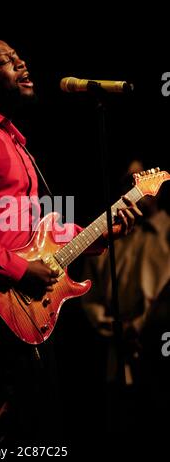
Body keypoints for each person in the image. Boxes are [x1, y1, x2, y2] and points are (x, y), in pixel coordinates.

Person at [0, 39, 142, 447]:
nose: (22, 63)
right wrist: (18, 269)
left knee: (41, 431)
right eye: (8, 62)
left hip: (19, 311)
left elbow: (33, 235)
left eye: (19, 58)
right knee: (6, 437)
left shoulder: (13, 141)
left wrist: (98, 234)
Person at [81, 160, 170, 431]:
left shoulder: (167, 231)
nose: (133, 186)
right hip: (115, 352)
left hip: (161, 346)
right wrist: (116, 330)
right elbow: (89, 296)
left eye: (138, 179)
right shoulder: (106, 242)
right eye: (127, 181)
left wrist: (143, 326)